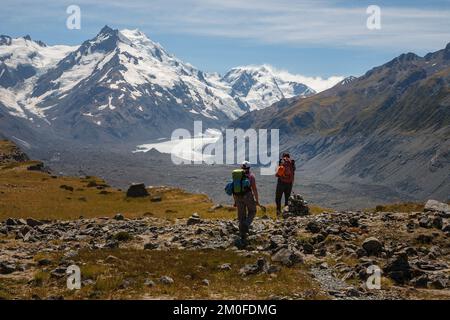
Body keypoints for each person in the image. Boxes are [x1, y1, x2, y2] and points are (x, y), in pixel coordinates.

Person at [233, 160, 259, 240]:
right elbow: (254, 189)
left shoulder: (237, 176)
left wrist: (235, 201)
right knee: (253, 211)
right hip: (247, 196)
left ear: (241, 167)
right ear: (249, 168)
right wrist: (257, 200)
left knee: (241, 215)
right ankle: (246, 224)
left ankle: (242, 234)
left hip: (237, 196)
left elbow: (234, 189)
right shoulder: (251, 176)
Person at [275, 152, 296, 217]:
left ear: (283, 156)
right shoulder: (292, 162)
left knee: (278, 198)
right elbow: (293, 171)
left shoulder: (281, 161)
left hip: (281, 182)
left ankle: (278, 212)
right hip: (289, 183)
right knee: (287, 199)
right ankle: (286, 213)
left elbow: (278, 172)